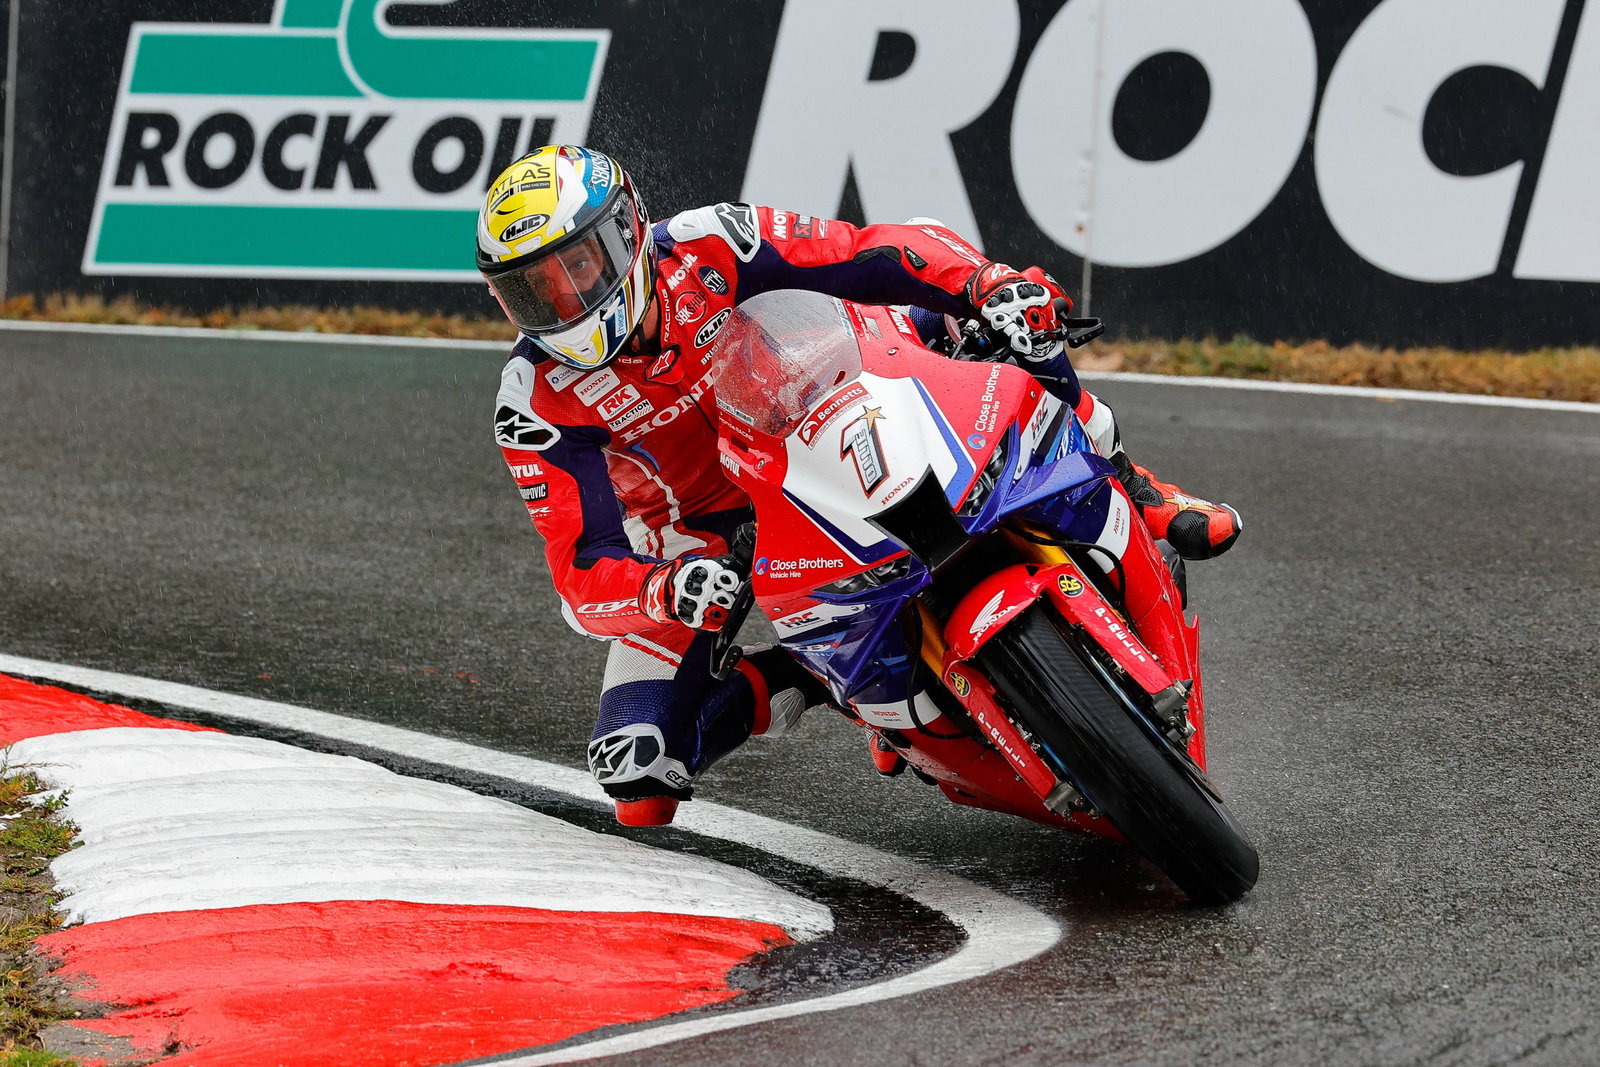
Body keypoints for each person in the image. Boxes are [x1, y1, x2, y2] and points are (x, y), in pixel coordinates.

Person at [479, 145, 1241, 825]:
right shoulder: (532, 398)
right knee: (638, 769)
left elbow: (863, 250)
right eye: (532, 291)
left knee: (1008, 309)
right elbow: (580, 570)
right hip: (702, 537)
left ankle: (1134, 484)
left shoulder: (711, 241)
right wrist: (666, 588)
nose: (564, 304)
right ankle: (827, 677)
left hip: (812, 410)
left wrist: (986, 283)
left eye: (575, 268)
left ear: (627, 233)